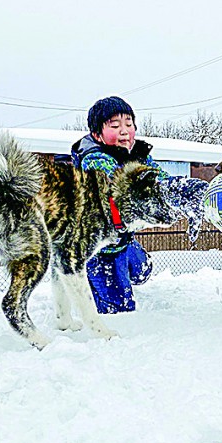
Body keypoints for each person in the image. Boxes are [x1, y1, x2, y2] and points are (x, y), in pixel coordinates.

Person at [71, 95, 167, 315]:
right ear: (97, 135)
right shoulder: (94, 159)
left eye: (129, 123)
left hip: (123, 237)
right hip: (99, 248)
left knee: (142, 272)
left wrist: (175, 189)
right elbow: (119, 182)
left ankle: (127, 267)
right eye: (115, 125)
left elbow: (159, 176)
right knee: (119, 310)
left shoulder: (137, 154)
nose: (124, 130)